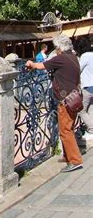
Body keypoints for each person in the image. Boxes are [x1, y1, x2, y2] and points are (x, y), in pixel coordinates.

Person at [26, 35, 83, 172]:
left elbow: (41, 66)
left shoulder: (61, 58)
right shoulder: (73, 57)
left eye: (57, 47)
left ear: (60, 48)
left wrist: (31, 64)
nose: (56, 50)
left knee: (65, 131)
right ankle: (67, 155)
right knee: (68, 128)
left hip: (66, 100)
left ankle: (75, 160)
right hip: (74, 98)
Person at [78, 39, 93, 141]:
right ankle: (90, 131)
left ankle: (91, 129)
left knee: (81, 111)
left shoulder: (85, 56)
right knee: (91, 109)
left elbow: (77, 69)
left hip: (87, 86)